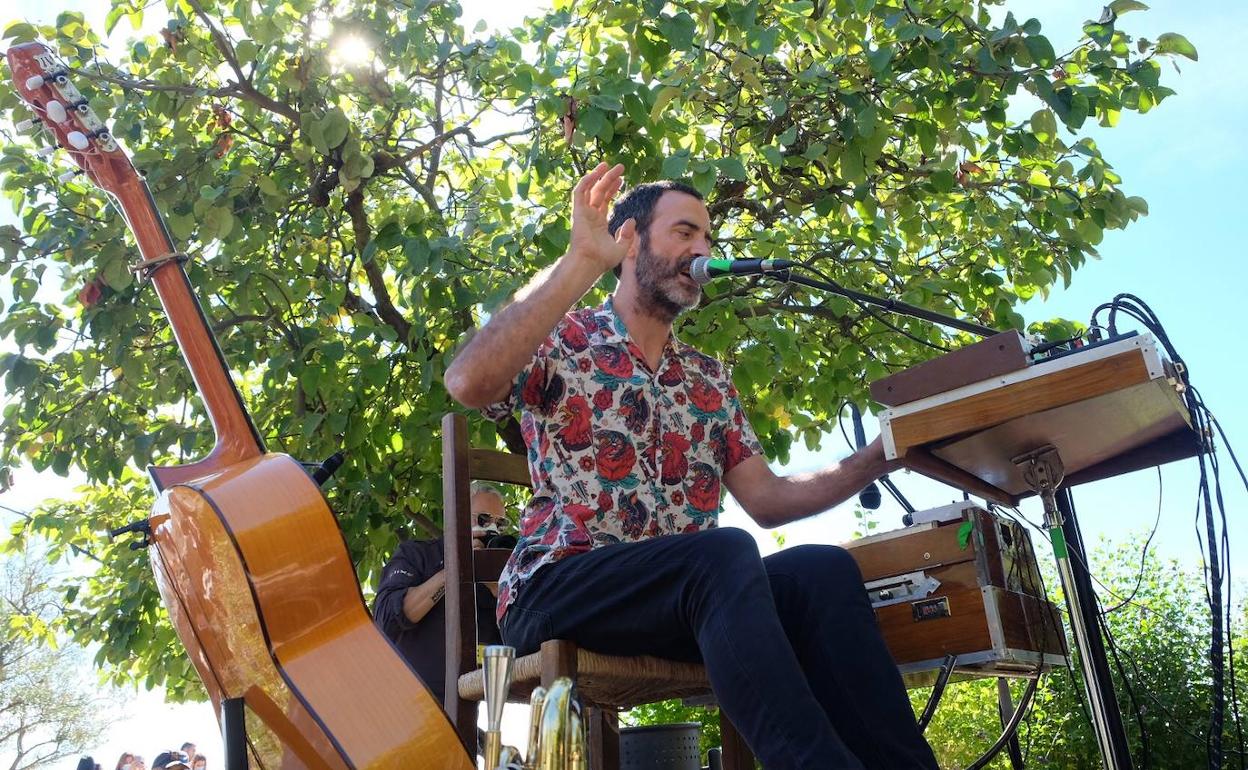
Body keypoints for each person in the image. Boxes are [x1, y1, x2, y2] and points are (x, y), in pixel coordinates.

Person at [443, 164, 939, 770]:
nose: (702, 249)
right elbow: (468, 382)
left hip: (683, 599)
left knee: (822, 570)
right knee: (723, 554)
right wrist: (579, 261)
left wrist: (883, 455)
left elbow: (768, 499)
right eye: (684, 232)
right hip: (557, 590)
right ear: (629, 240)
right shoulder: (558, 337)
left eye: (708, 238)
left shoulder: (709, 378)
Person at [371, 481, 510, 704]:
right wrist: (455, 570)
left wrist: (500, 592)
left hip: (467, 707)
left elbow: (518, 646)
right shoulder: (417, 554)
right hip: (401, 701)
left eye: (500, 524)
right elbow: (387, 619)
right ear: (457, 517)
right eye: (483, 520)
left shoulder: (501, 576)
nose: (491, 530)